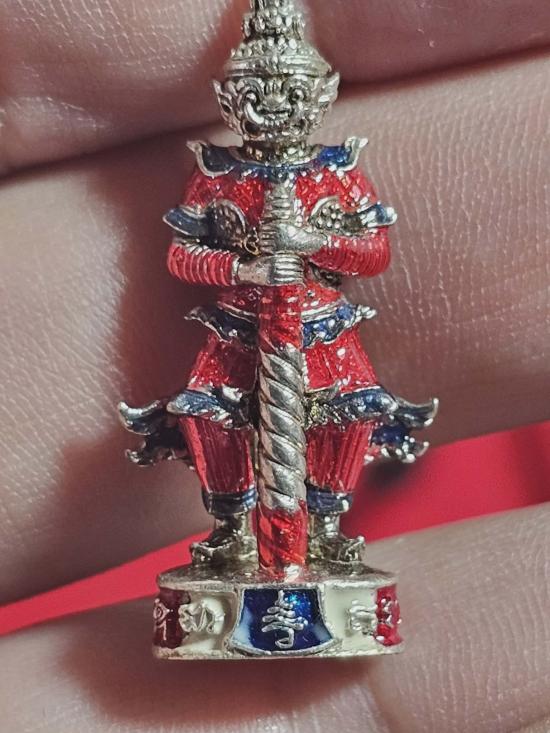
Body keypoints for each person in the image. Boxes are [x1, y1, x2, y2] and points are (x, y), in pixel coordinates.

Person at [0, 0, 549, 729]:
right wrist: (242, 265)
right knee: (212, 420)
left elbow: (372, 252)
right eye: (256, 92)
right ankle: (232, 531)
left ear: (319, 94)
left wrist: (317, 244)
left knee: (344, 418)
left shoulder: (335, 172)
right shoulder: (219, 175)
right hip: (237, 327)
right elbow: (184, 255)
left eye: (289, 91)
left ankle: (324, 530)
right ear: (231, 98)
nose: (273, 105)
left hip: (320, 329)